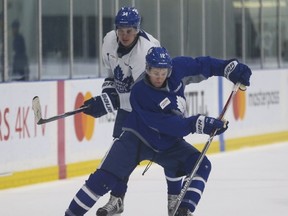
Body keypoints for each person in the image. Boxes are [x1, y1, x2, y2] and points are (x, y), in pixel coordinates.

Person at [65, 47, 251, 216]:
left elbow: (204, 64)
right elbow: (168, 124)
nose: (160, 77)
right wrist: (199, 123)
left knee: (202, 165)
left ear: (169, 69)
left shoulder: (178, 68)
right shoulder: (140, 91)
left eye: (163, 73)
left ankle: (183, 211)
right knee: (103, 179)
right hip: (136, 138)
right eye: (155, 73)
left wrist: (228, 68)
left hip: (168, 143)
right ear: (147, 69)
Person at [78, 6, 183, 216]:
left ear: (137, 29)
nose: (125, 35)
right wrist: (106, 95)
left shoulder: (143, 52)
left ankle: (175, 200)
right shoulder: (109, 40)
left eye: (130, 30)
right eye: (122, 30)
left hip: (158, 104)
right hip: (129, 106)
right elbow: (111, 74)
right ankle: (117, 199)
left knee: (171, 150)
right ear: (116, 28)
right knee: (121, 152)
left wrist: (108, 102)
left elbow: (141, 98)